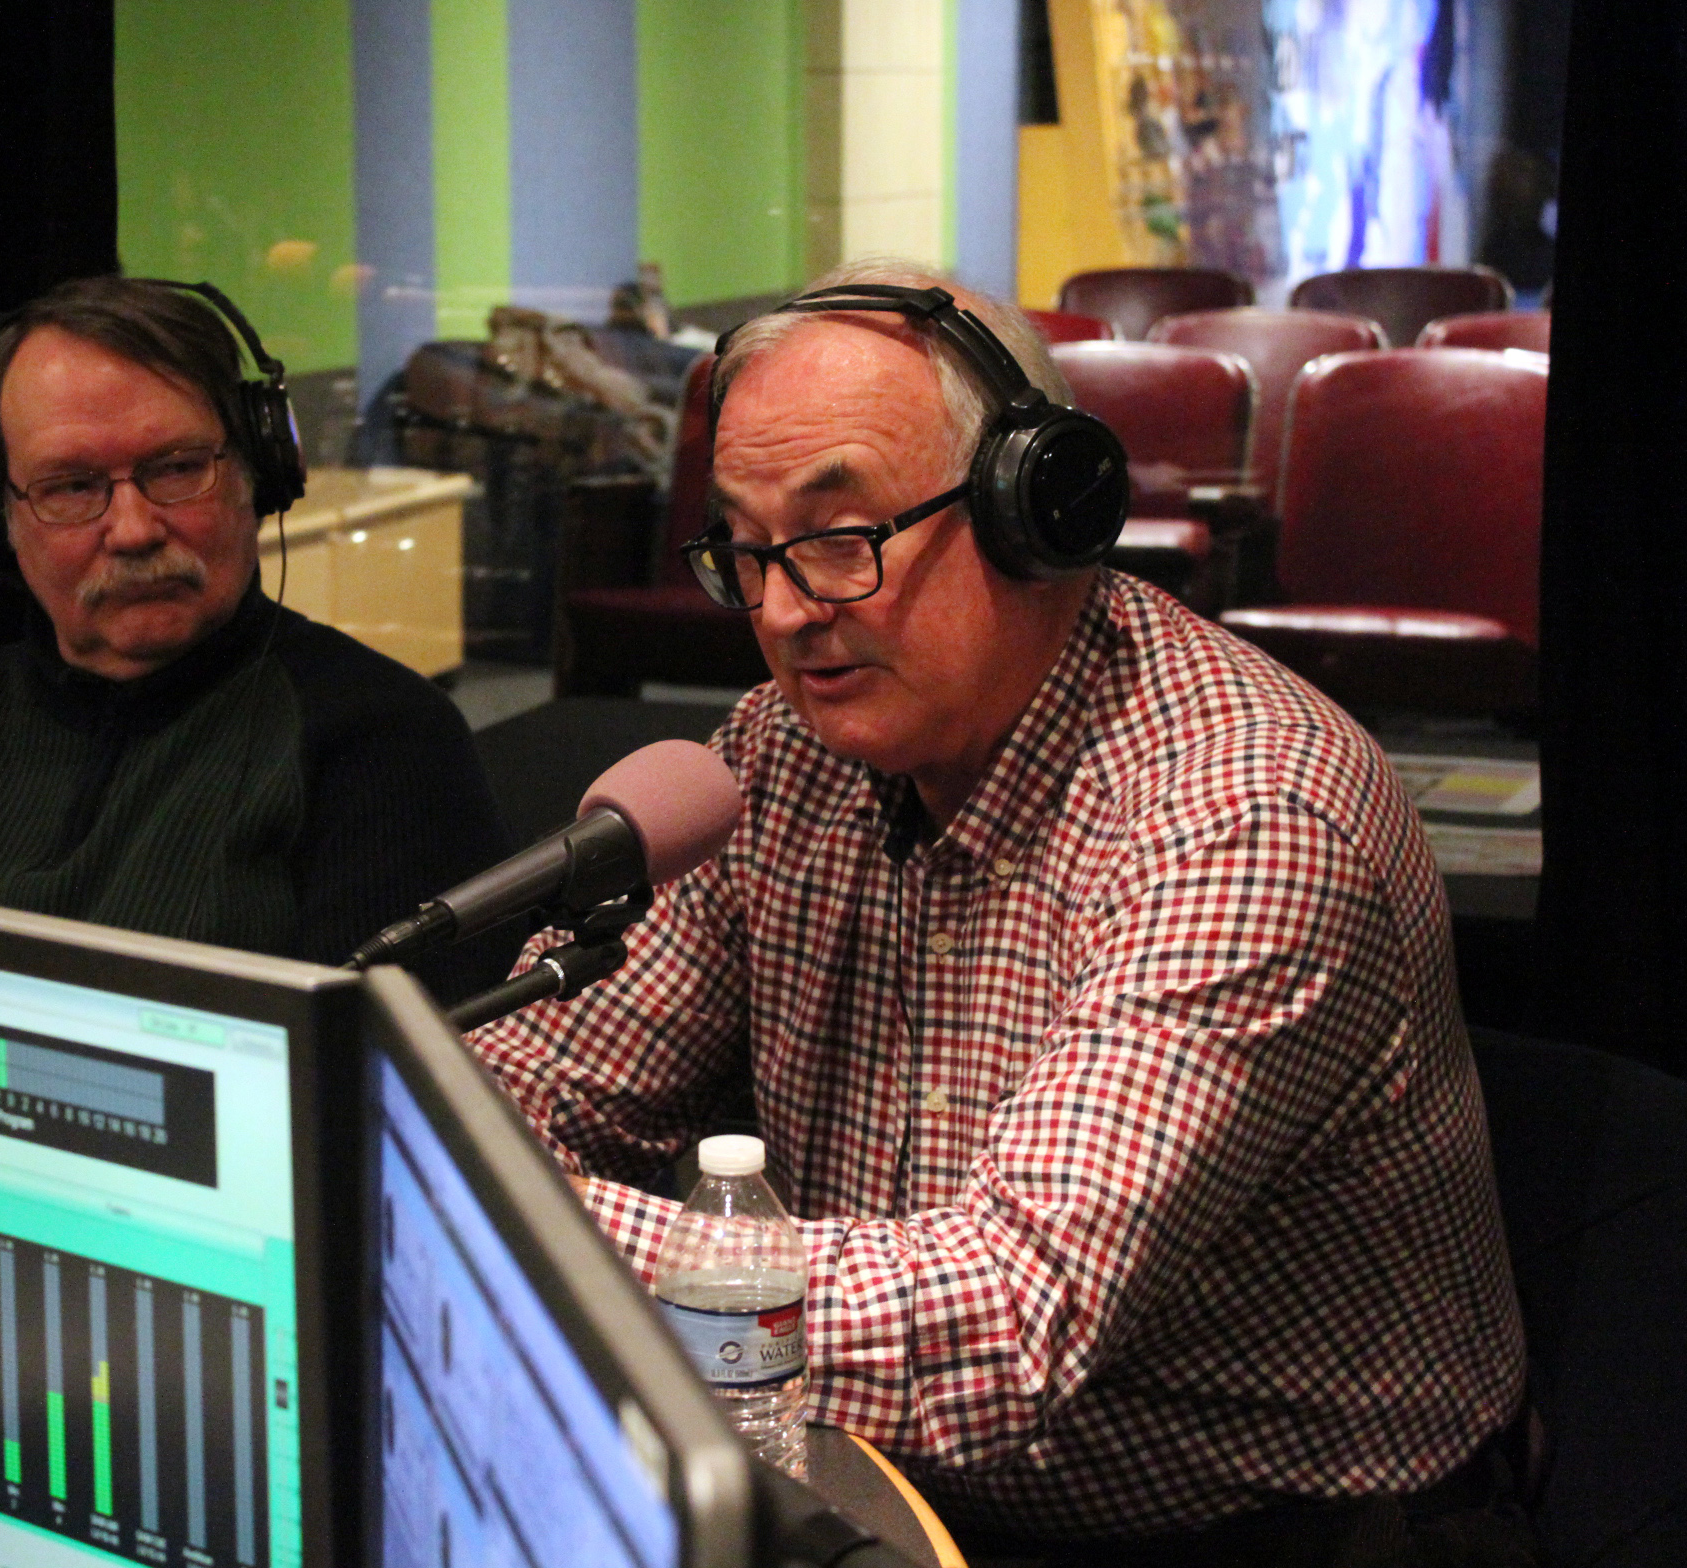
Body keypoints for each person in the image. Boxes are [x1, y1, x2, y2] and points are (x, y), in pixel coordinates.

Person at [467, 260, 1531, 1562]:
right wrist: (454, 1139)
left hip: (1284, 1535)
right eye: (745, 550)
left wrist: (494, 1224)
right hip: (891, 1483)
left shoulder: (1248, 818)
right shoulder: (774, 758)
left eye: (844, 538)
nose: (789, 612)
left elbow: (1000, 1321)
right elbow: (548, 1075)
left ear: (1040, 512)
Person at [0, 275, 517, 1002]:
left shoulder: (382, 744)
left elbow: (369, 1101)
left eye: (179, 468)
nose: (132, 529)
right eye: (71, 486)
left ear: (259, 473)